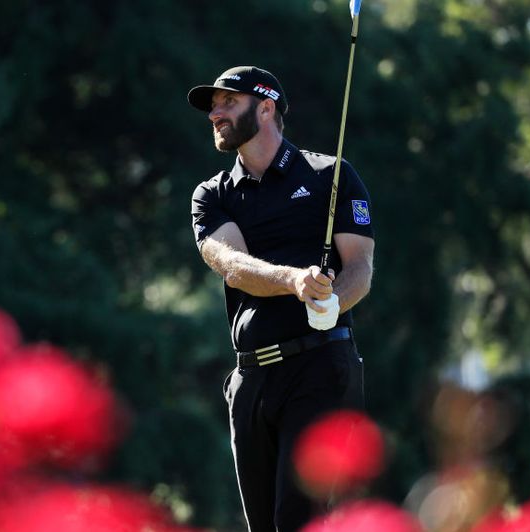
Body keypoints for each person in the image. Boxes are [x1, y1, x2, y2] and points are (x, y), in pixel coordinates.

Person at [187, 66, 375, 532]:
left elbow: (360, 268)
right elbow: (231, 264)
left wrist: (334, 303)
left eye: (228, 101)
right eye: (214, 105)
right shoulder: (212, 195)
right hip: (250, 378)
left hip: (319, 366)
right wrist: (295, 280)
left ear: (265, 106)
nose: (215, 113)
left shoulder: (331, 175)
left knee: (300, 519)